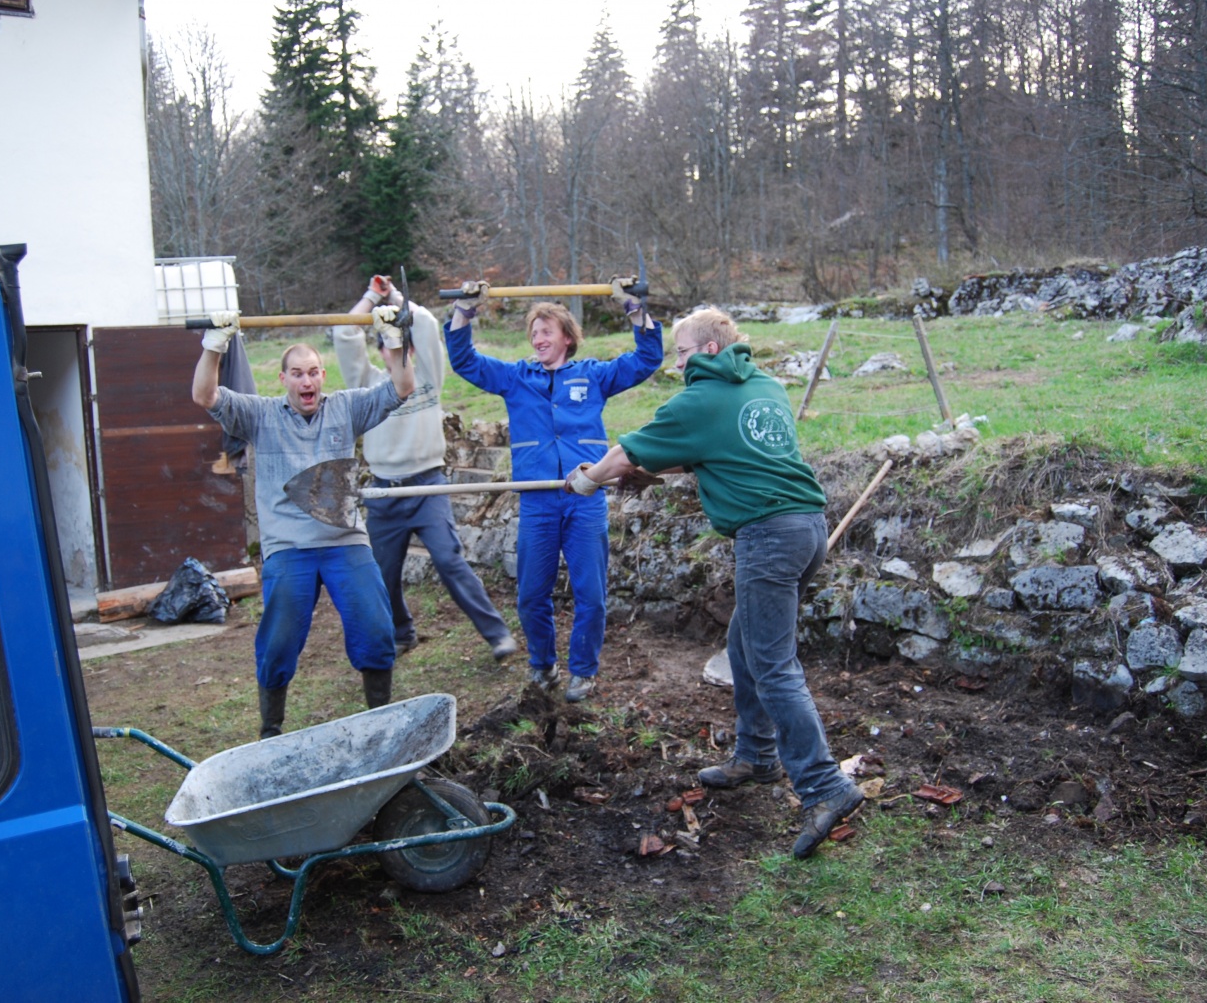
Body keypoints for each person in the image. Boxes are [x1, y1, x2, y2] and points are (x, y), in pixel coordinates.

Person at [566, 308, 864, 859]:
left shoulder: (698, 399)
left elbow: (626, 452)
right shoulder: (765, 386)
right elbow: (719, 450)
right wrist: (651, 472)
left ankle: (825, 785)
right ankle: (757, 756)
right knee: (743, 645)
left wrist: (588, 480)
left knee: (773, 666)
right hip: (807, 529)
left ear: (707, 349)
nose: (676, 364)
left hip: (768, 536)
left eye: (680, 353)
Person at [192, 308, 414, 738]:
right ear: (283, 379)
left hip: (344, 541)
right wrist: (214, 344)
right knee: (278, 640)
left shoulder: (346, 408)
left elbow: (403, 386)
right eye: (297, 374)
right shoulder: (259, 415)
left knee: (375, 627)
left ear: (322, 375)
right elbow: (205, 395)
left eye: (313, 372)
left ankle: (380, 722)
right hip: (288, 547)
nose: (306, 381)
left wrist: (393, 339)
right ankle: (270, 729)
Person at [444, 280, 664, 703]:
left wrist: (635, 311)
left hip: (585, 498)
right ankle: (543, 666)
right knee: (530, 596)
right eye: (533, 332)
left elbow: (646, 359)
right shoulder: (515, 378)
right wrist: (463, 312)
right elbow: (465, 361)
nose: (538, 338)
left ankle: (583, 672)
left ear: (567, 337)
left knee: (591, 595)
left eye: (546, 331)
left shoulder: (593, 376)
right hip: (537, 501)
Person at [333, 276, 517, 661]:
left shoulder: (428, 378)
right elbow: (344, 332)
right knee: (382, 571)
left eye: (402, 344)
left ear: (412, 349)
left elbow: (428, 325)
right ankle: (402, 632)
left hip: (428, 487)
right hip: (385, 491)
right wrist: (372, 296)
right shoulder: (367, 385)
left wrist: (395, 296)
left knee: (449, 560)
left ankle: (497, 634)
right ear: (380, 351)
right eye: (387, 345)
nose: (394, 352)